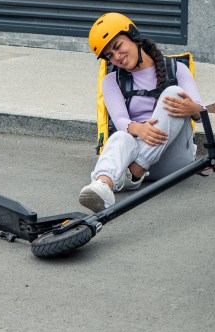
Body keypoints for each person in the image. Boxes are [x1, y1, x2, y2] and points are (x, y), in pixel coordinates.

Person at [79, 12, 204, 213]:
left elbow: (201, 113)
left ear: (133, 37)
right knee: (120, 136)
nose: (116, 57)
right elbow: (120, 120)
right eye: (110, 55)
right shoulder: (111, 81)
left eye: (118, 46)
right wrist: (139, 129)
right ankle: (103, 185)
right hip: (137, 152)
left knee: (173, 93)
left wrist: (194, 109)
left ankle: (134, 171)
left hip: (173, 160)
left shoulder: (177, 69)